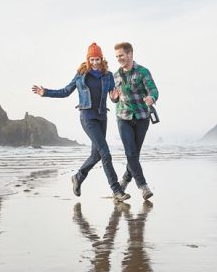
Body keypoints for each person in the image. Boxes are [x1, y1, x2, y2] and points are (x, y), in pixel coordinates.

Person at [32, 42, 130, 201]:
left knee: (96, 155)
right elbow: (65, 91)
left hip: (101, 117)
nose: (95, 63)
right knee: (105, 153)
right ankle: (117, 190)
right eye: (92, 60)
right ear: (88, 60)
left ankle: (78, 177)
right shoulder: (81, 76)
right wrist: (45, 93)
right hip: (87, 117)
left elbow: (114, 97)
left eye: (97, 59)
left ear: (101, 59)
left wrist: (115, 98)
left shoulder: (108, 76)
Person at [110, 42, 158, 200]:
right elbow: (113, 97)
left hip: (142, 117)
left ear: (130, 54)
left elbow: (153, 89)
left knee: (134, 155)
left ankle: (124, 181)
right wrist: (113, 98)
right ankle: (143, 186)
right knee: (130, 152)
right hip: (123, 118)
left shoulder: (143, 72)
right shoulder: (115, 75)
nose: (119, 59)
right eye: (117, 56)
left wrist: (152, 97)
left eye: (121, 55)